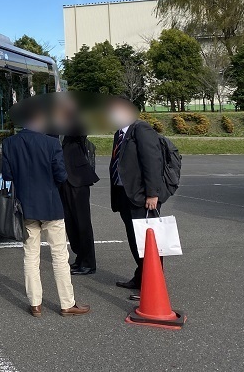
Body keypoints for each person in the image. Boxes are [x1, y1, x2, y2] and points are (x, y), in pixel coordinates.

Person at [2, 108, 90, 318]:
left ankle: (35, 304)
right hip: (51, 206)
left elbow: (7, 174)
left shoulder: (9, 144)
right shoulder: (51, 144)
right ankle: (67, 303)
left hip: (25, 207)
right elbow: (60, 175)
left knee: (30, 255)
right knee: (59, 255)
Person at [107, 98, 169, 290]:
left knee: (147, 242)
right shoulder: (120, 133)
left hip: (142, 196)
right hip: (125, 195)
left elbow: (152, 162)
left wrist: (152, 194)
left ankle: (152, 285)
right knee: (135, 240)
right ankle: (141, 276)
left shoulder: (141, 130)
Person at [60, 134, 100, 275]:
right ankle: (80, 257)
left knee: (82, 223)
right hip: (63, 180)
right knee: (70, 223)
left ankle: (89, 263)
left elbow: (81, 130)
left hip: (77, 179)